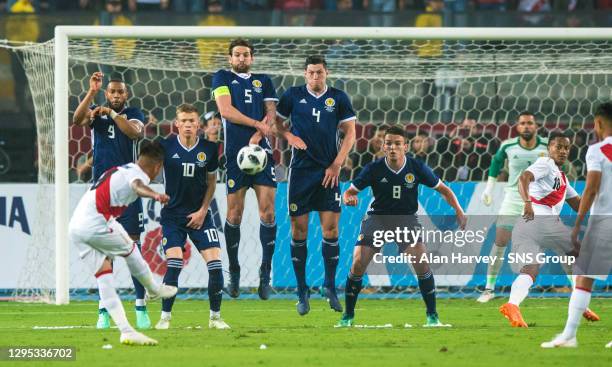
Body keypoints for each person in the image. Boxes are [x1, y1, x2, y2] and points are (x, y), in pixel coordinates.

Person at [337, 126, 466, 327]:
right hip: (377, 218)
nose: (393, 147)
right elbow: (349, 192)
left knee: (422, 264)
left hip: (405, 219)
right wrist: (348, 198)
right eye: (388, 143)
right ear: (383, 146)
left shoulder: (416, 167)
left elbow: (444, 189)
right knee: (358, 263)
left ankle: (432, 317)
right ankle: (348, 317)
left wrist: (458, 209)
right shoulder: (373, 168)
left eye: (397, 143)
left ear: (405, 146)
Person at [68, 141, 177, 346]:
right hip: (96, 222)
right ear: (157, 166)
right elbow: (137, 185)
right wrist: (154, 194)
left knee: (104, 275)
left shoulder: (123, 168)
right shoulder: (139, 174)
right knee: (131, 250)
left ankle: (126, 331)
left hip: (76, 227)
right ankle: (153, 289)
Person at [275, 55, 356, 315]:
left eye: (319, 72)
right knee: (299, 231)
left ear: (326, 73)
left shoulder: (339, 98)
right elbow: (276, 123)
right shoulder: (292, 95)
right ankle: (302, 291)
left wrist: (337, 164)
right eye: (311, 73)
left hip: (328, 173)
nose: (315, 77)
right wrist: (288, 135)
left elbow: (350, 133)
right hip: (300, 173)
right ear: (304, 74)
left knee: (331, 230)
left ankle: (330, 286)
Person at [72, 72, 151, 329]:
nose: (116, 96)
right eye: (111, 92)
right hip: (101, 192)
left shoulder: (134, 112)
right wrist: (91, 93)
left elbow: (135, 134)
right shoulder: (95, 112)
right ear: (106, 93)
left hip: (129, 190)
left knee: (134, 247)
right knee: (105, 251)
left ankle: (140, 306)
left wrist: (114, 114)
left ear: (125, 95)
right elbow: (76, 119)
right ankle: (103, 310)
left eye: (120, 92)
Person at [500, 131, 599, 327]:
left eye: (566, 147)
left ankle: (512, 305)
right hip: (541, 219)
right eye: (558, 146)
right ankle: (580, 303)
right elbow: (523, 178)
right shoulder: (545, 164)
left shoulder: (562, 178)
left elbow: (579, 205)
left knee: (531, 269)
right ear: (549, 148)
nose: (562, 151)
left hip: (527, 225)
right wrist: (527, 201)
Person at [212, 38, 278, 300]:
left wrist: (260, 134)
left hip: (261, 152)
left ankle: (265, 273)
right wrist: (257, 125)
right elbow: (225, 111)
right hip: (234, 155)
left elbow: (271, 112)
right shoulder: (221, 77)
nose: (241, 59)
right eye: (237, 55)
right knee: (235, 214)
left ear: (252, 58)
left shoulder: (264, 80)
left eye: (246, 55)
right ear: (230, 58)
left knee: (268, 213)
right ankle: (235, 272)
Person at [542, 102, 612, 348]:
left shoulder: (597, 150)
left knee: (583, 278)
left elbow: (591, 190)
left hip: (604, 221)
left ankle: (569, 335)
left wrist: (577, 225)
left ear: (599, 123)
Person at [155, 104, 229, 330]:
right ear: (176, 124)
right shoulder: (164, 146)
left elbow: (211, 182)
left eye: (192, 121)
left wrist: (203, 210)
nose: (188, 125)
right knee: (175, 263)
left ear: (199, 125)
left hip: (200, 216)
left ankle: (215, 318)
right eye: (183, 121)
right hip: (172, 216)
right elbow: (147, 170)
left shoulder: (209, 148)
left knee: (215, 264)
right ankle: (165, 318)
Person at [477, 112, 548, 303]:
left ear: (536, 126)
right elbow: (495, 163)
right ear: (517, 127)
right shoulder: (508, 145)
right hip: (513, 200)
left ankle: (574, 289)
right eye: (523, 123)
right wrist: (489, 189)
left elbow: (561, 169)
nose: (526, 126)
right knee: (500, 242)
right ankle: (488, 289)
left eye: (530, 123)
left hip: (539, 202)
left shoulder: (547, 145)